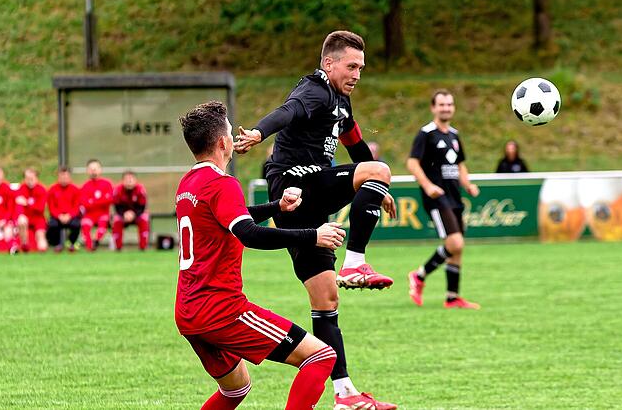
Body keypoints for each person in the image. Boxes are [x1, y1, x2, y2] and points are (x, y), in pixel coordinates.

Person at [234, 31, 397, 409]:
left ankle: (344, 395)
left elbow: (357, 149)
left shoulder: (342, 103)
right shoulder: (316, 88)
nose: (357, 73)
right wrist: (260, 131)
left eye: (361, 67)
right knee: (380, 169)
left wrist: (376, 184)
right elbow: (288, 111)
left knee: (325, 298)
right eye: (351, 65)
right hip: (296, 186)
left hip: (302, 205)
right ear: (329, 63)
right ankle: (356, 262)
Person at [176, 101, 345, 409]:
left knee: (235, 389)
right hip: (220, 309)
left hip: (188, 311)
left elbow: (230, 216)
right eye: (230, 131)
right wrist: (314, 236)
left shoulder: (189, 183)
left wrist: (275, 207)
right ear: (224, 142)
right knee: (322, 356)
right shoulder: (222, 183)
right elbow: (249, 234)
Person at [406, 90, 481, 309]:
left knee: (458, 248)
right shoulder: (426, 133)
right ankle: (419, 275)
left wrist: (468, 185)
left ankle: (452, 297)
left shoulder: (454, 135)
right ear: (433, 108)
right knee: (455, 243)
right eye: (442, 105)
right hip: (438, 198)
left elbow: (460, 165)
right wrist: (428, 185)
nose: (446, 108)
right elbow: (412, 162)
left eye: (449, 104)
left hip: (455, 196)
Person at [79, 159, 113, 251]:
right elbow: (84, 203)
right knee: (85, 226)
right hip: (89, 214)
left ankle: (96, 241)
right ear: (87, 171)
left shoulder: (107, 184)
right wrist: (100, 200)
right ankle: (90, 247)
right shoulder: (85, 186)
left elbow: (109, 200)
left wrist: (92, 201)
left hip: (103, 213)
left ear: (100, 169)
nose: (93, 170)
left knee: (103, 223)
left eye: (96, 168)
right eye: (91, 168)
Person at [112, 171, 150, 251]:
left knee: (145, 218)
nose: (129, 181)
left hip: (137, 215)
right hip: (123, 215)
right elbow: (117, 206)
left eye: (131, 179)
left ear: (135, 180)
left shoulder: (140, 189)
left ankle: (143, 247)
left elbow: (142, 206)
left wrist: (134, 214)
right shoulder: (117, 190)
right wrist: (124, 214)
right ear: (123, 181)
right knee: (116, 220)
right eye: (127, 179)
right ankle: (118, 247)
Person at [46, 166, 82, 252]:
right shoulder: (52, 189)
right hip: (57, 216)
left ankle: (71, 242)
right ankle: (57, 244)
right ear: (58, 177)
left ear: (69, 177)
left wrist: (69, 215)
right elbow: (51, 207)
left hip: (71, 216)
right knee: (52, 224)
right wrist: (59, 216)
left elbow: (76, 207)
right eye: (61, 177)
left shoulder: (75, 190)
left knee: (76, 224)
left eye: (66, 177)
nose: (64, 179)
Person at [15, 168, 48, 252]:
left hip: (38, 219)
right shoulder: (21, 188)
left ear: (36, 178)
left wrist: (27, 203)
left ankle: (41, 245)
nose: (29, 181)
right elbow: (18, 206)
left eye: (31, 178)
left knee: (42, 246)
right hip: (26, 218)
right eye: (27, 178)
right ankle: (24, 244)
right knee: (21, 220)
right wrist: (21, 214)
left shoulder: (41, 189)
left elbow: (40, 208)